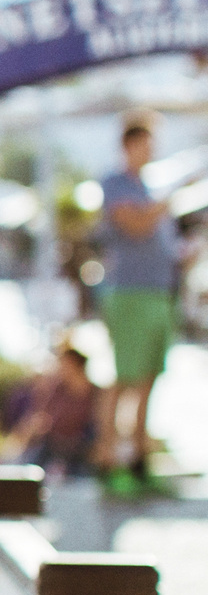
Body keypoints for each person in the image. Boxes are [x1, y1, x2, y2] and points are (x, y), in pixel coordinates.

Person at [95, 112, 182, 496]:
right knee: (125, 377)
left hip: (159, 291)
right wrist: (167, 203)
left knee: (149, 376)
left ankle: (139, 458)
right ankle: (107, 456)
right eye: (146, 142)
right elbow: (135, 225)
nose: (152, 150)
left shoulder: (148, 186)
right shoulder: (116, 184)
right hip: (128, 293)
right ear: (129, 144)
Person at [0, 342, 97, 475]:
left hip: (80, 449)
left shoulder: (95, 394)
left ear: (75, 365)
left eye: (64, 364)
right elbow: (40, 418)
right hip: (52, 446)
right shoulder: (57, 390)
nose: (60, 368)